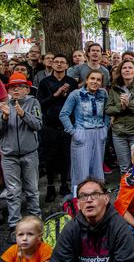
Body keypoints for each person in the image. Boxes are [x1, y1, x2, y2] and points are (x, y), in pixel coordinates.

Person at [51, 177, 134, 261]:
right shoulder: (71, 229)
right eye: (83, 196)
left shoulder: (119, 228)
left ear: (106, 199)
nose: (89, 200)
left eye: (95, 194)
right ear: (78, 204)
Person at [0, 72, 42, 243]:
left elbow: (38, 124)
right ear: (8, 90)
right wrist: (4, 118)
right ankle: (14, 226)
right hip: (9, 156)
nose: (16, 89)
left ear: (27, 89)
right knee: (13, 192)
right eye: (12, 87)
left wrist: (23, 114)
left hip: (30, 153)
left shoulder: (33, 103)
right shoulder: (3, 105)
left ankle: (36, 222)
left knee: (32, 190)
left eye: (20, 86)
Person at [60, 70, 109, 196]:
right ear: (86, 80)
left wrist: (105, 128)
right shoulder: (76, 94)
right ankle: (78, 202)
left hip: (99, 134)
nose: (95, 82)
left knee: (98, 170)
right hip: (82, 133)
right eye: (92, 78)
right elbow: (64, 114)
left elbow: (107, 112)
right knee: (81, 172)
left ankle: (97, 200)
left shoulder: (103, 94)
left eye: (98, 80)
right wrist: (73, 131)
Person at [37, 53, 78, 202]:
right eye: (56, 62)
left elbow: (76, 105)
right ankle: (50, 186)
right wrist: (56, 94)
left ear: (67, 66)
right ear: (52, 64)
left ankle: (64, 184)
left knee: (66, 156)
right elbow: (40, 104)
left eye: (62, 62)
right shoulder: (45, 82)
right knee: (50, 158)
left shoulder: (72, 82)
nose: (59, 64)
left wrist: (66, 95)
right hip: (50, 125)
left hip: (67, 126)